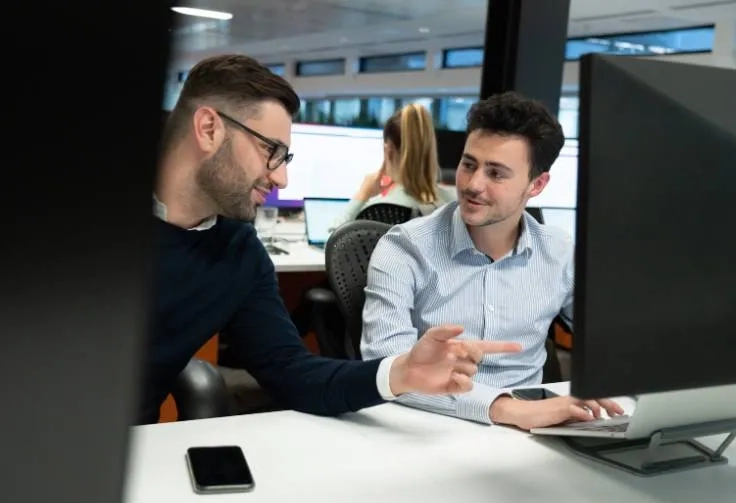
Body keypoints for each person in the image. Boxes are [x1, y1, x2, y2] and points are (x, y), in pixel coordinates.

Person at [143, 54, 520, 425]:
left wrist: (399, 373)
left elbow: (292, 372)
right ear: (209, 129)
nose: (280, 180)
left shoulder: (237, 252)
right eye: (270, 151)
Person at [360, 91, 623, 430]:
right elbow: (386, 367)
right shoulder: (404, 249)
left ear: (537, 185)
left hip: (534, 430)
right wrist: (508, 409)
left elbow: (612, 340)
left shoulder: (559, 253)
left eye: (496, 173)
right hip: (425, 428)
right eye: (469, 165)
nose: (473, 184)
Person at [331, 104, 455, 228]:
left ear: (389, 151)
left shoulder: (378, 210)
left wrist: (362, 195)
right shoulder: (453, 206)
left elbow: (334, 244)